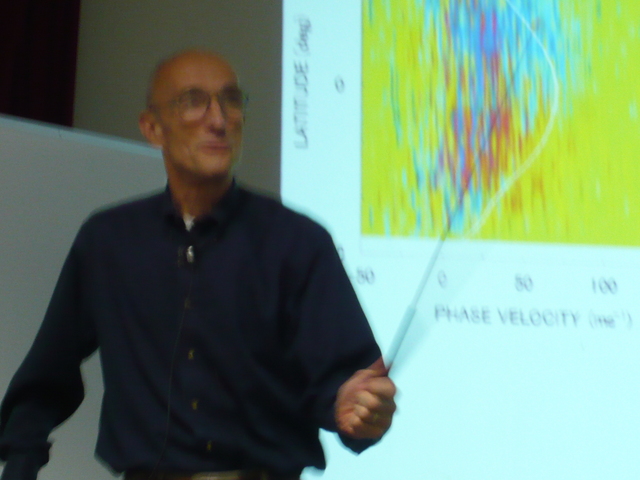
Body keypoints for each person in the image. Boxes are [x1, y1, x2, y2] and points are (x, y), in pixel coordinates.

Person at [0, 50, 396, 480]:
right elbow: (46, 374)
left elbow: (351, 387)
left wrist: (359, 410)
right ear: (152, 128)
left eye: (231, 101)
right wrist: (20, 463)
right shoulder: (110, 241)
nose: (219, 120)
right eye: (194, 101)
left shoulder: (298, 243)